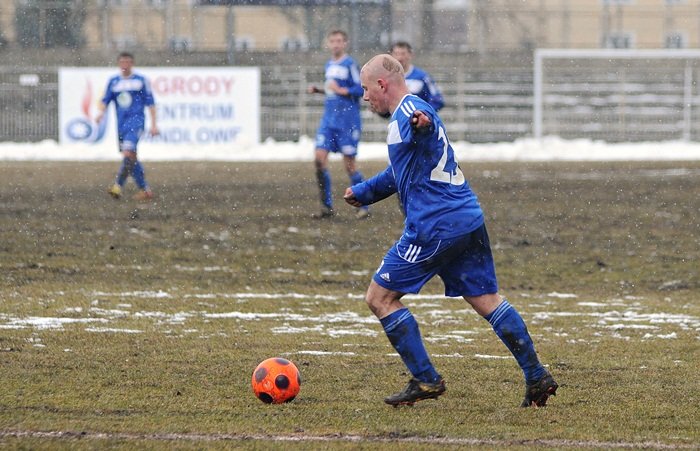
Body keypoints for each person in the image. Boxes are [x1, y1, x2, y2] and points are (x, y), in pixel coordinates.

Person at [344, 54, 558, 407]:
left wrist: (423, 128)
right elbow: (406, 167)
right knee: (487, 300)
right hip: (466, 217)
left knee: (379, 298)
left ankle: (426, 380)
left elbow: (422, 137)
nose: (365, 97)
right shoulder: (417, 106)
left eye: (367, 89)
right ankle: (536, 375)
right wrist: (365, 192)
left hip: (435, 225)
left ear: (382, 85)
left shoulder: (409, 118)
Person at [308, 30, 368, 219]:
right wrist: (319, 90)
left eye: (339, 41)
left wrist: (341, 90)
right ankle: (327, 207)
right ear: (328, 43)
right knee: (319, 159)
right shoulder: (329, 64)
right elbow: (332, 91)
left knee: (349, 165)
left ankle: (364, 205)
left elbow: (360, 89)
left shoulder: (350, 64)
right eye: (332, 41)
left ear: (345, 43)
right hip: (329, 120)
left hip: (347, 121)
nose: (335, 44)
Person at [96, 51, 159, 201]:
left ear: (132, 64)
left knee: (128, 153)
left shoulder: (141, 81)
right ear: (119, 64)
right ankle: (145, 190)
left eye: (128, 62)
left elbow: (151, 103)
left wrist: (154, 124)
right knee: (131, 157)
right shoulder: (114, 81)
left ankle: (118, 186)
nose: (125, 65)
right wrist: (100, 113)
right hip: (122, 125)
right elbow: (105, 100)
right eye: (122, 62)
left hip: (136, 122)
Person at [390, 41, 445, 112]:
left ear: (410, 55)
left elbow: (437, 100)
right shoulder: (388, 78)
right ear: (391, 56)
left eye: (403, 54)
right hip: (396, 122)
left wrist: (424, 113)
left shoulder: (422, 77)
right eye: (396, 54)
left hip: (418, 121)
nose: (400, 58)